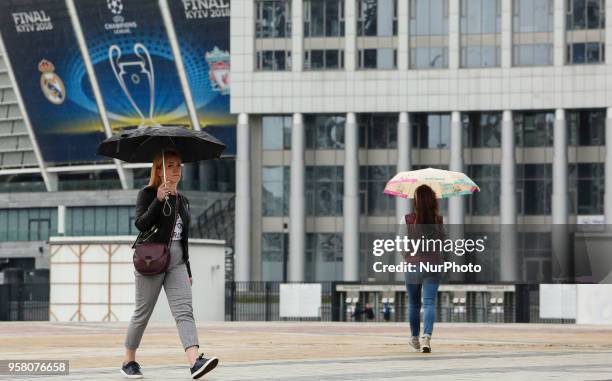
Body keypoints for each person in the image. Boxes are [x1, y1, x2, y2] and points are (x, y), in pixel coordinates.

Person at [121, 150, 218, 379]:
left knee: (184, 311)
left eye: (179, 165)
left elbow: (183, 239)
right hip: (152, 258)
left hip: (177, 261)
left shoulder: (183, 201)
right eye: (171, 165)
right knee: (142, 313)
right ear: (159, 169)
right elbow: (141, 225)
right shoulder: (147, 194)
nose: (176, 169)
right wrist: (158, 200)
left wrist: (188, 269)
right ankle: (128, 360)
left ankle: (195, 362)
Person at [404, 184, 444, 353]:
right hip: (433, 265)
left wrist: (408, 255)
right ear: (433, 201)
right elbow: (443, 243)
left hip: (413, 265)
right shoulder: (438, 220)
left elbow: (401, 244)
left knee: (414, 304)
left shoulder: (407, 219)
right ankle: (426, 337)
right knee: (429, 303)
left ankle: (414, 338)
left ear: (416, 201)